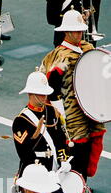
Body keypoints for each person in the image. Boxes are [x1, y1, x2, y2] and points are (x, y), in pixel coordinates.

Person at [40, 8, 106, 181]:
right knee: (76, 151)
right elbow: (52, 88)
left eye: (81, 30)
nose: (79, 34)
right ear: (67, 32)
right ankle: (75, 184)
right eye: (76, 31)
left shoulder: (88, 49)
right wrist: (60, 113)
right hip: (72, 114)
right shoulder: (60, 57)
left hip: (90, 107)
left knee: (89, 147)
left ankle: (82, 182)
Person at [12, 68, 71, 179]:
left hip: (55, 167)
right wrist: (40, 172)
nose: (45, 97)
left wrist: (63, 159)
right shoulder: (21, 121)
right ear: (31, 93)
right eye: (41, 94)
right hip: (35, 171)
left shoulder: (52, 111)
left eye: (45, 93)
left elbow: (60, 139)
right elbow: (24, 154)